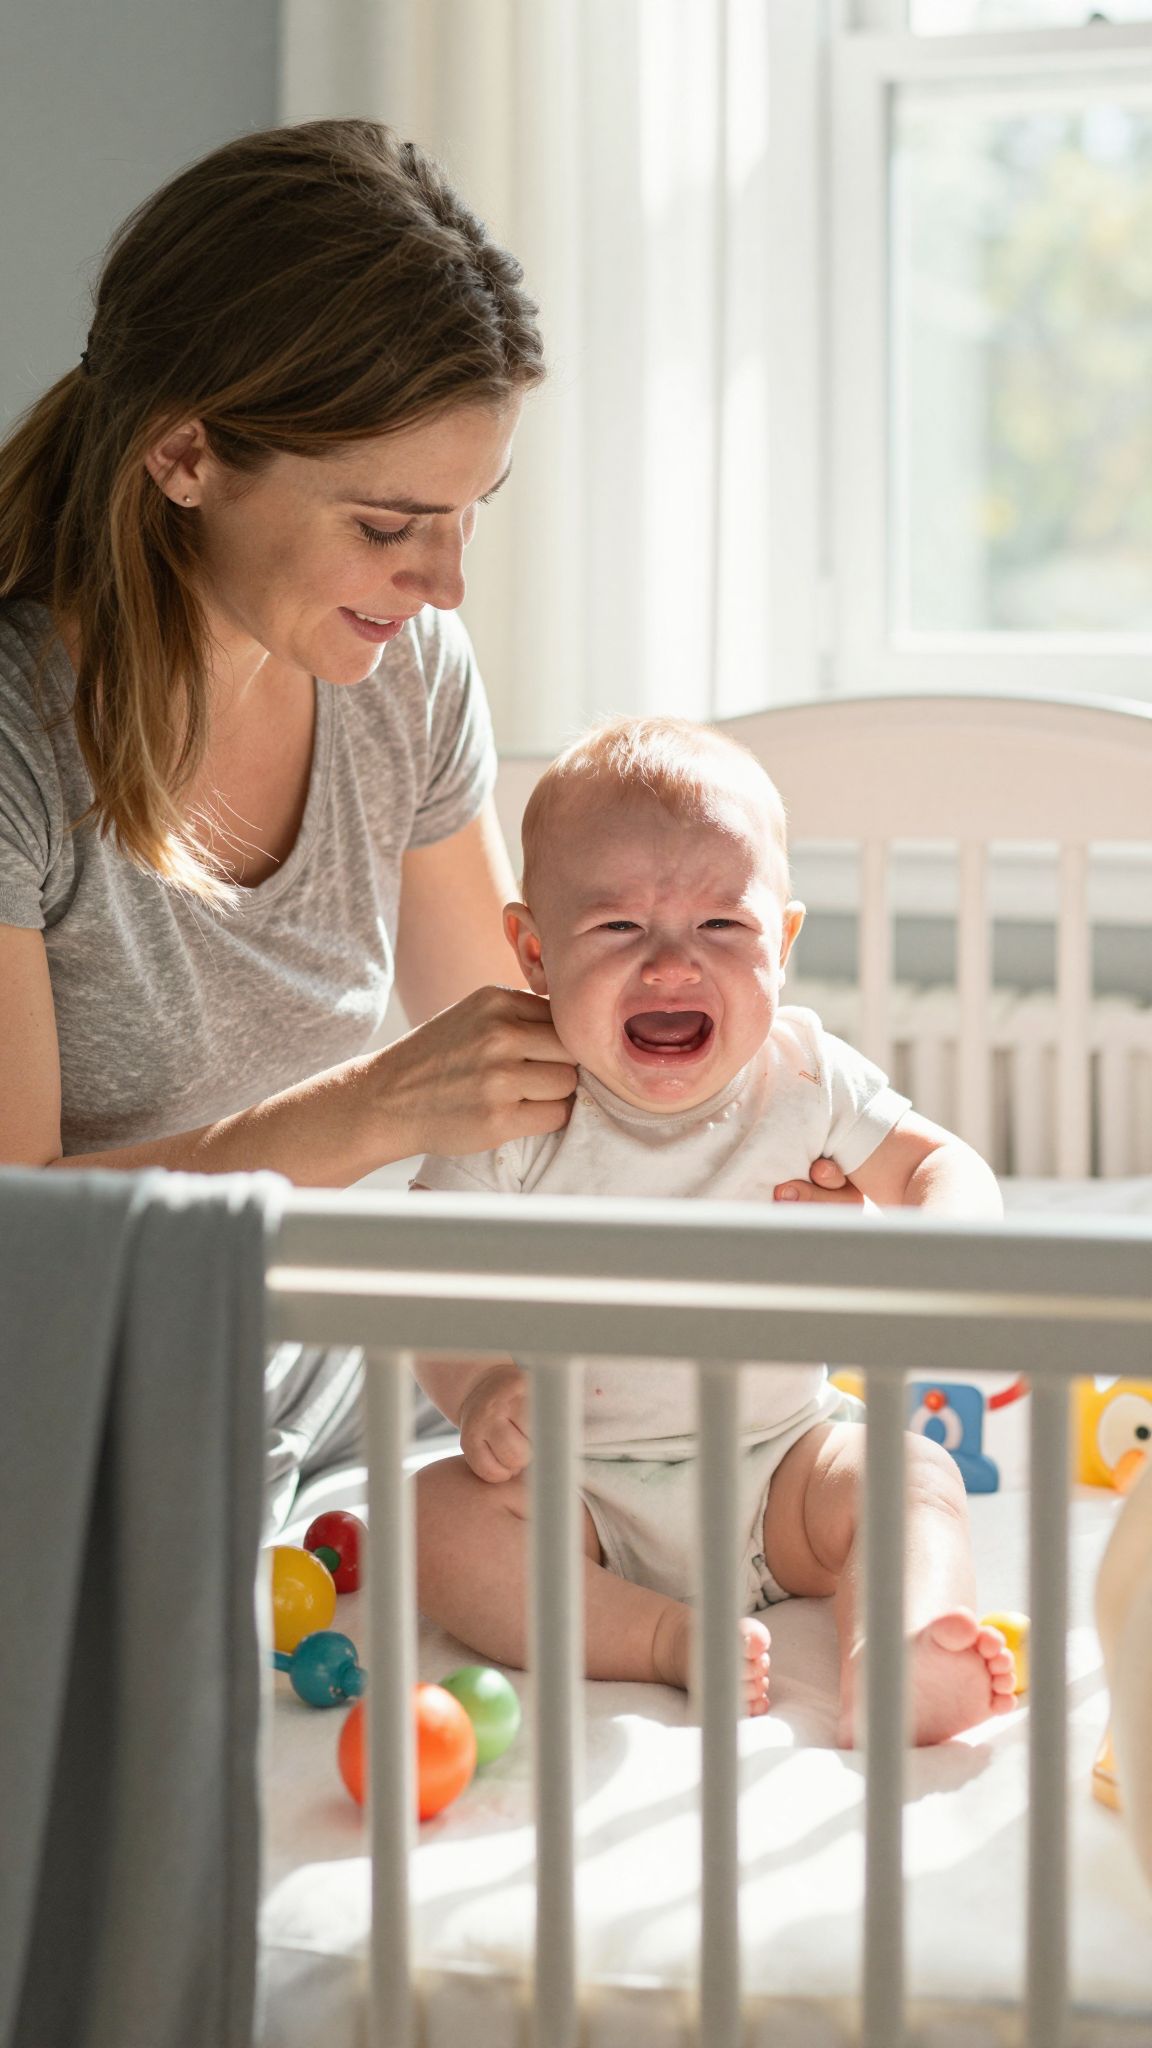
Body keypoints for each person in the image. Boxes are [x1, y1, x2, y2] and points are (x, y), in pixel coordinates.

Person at [0, 119, 581, 1504]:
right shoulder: (20, 745)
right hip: (66, 1386)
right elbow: (19, 1236)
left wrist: (739, 1105)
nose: (441, 581)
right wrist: (365, 1114)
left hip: (286, 1356)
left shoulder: (402, 676)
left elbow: (512, 1088)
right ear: (187, 455)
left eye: (467, 514)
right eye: (387, 526)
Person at [412, 716, 1019, 1745]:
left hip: (780, 1465)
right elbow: (432, 1275)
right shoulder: (518, 1096)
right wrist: (476, 1386)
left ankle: (904, 1640)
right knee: (437, 1518)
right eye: (615, 929)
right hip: (576, 1489)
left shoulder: (805, 1074)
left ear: (781, 942)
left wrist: (936, 1244)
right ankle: (658, 1637)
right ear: (534, 954)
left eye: (723, 929)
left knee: (910, 1470)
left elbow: (940, 1162)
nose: (670, 966)